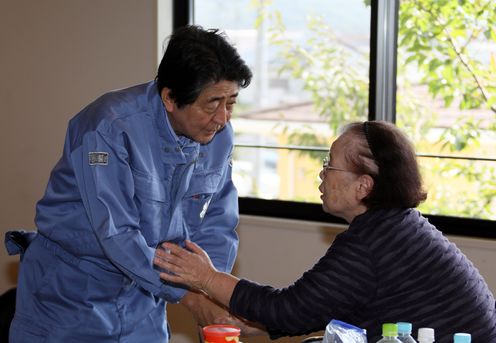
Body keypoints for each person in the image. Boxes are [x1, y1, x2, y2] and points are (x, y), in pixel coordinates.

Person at [4, 25, 252, 342]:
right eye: (212, 103)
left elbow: (218, 221)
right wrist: (191, 298)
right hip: (72, 294)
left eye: (231, 102)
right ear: (170, 98)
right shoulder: (108, 127)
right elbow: (115, 232)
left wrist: (210, 287)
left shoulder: (217, 136)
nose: (223, 118)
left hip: (144, 295)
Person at [155, 121, 496, 343]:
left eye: (330, 165)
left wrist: (206, 278)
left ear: (364, 185)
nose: (322, 175)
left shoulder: (371, 241)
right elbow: (322, 306)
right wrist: (258, 324)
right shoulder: (395, 225)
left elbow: (288, 310)